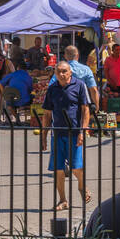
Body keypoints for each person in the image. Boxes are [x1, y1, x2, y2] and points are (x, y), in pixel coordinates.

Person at [43, 60, 91, 210]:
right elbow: (47, 113)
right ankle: (63, 200)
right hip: (57, 133)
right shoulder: (52, 89)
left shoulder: (80, 85)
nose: (62, 74)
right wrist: (44, 136)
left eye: (64, 71)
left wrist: (82, 131)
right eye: (59, 72)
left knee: (77, 168)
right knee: (58, 169)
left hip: (74, 133)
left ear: (70, 72)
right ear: (55, 74)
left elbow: (85, 110)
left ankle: (82, 187)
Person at [47, 45, 99, 112]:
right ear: (78, 55)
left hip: (63, 106)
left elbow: (50, 87)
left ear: (65, 56)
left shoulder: (60, 70)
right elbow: (94, 90)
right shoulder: (86, 70)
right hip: (82, 107)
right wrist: (96, 107)